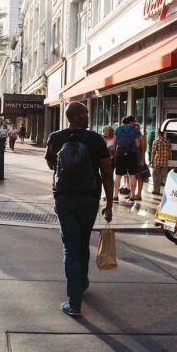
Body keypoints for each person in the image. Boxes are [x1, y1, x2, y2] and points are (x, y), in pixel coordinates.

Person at [45, 101, 113, 318]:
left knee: (70, 247)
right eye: (84, 114)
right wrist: (109, 203)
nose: (87, 117)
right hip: (89, 199)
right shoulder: (95, 139)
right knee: (82, 242)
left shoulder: (56, 138)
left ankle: (74, 299)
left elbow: (50, 164)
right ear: (76, 116)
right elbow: (107, 173)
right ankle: (80, 284)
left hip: (64, 199)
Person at [112, 116, 141, 204]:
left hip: (120, 154)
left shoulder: (118, 129)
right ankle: (132, 197)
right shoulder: (134, 130)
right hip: (132, 154)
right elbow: (138, 144)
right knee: (132, 175)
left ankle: (115, 196)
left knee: (118, 175)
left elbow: (115, 142)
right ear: (131, 122)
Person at [150, 130, 172, 195]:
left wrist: (152, 161)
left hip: (157, 161)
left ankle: (156, 191)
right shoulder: (167, 141)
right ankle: (167, 191)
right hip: (165, 161)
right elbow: (169, 151)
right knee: (164, 177)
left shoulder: (156, 141)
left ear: (158, 133)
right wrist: (168, 159)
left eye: (157, 132)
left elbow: (153, 152)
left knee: (156, 176)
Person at [132, 123, 148, 201]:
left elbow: (143, 150)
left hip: (139, 159)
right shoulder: (133, 136)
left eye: (137, 128)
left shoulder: (141, 137)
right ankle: (132, 193)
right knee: (133, 177)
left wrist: (142, 160)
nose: (136, 129)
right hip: (132, 158)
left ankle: (139, 194)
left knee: (139, 177)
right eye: (135, 128)